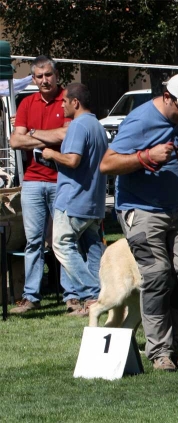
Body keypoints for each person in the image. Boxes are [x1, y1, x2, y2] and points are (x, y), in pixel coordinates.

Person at [99, 73, 178, 372]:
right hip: (142, 210)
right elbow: (107, 164)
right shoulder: (139, 120)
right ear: (167, 97)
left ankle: (171, 344)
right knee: (158, 274)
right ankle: (160, 351)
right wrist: (146, 155)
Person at [9, 55, 79, 314]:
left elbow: (67, 134)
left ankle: (71, 295)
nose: (44, 80)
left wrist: (32, 134)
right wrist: (47, 137)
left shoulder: (68, 100)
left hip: (63, 180)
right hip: (33, 182)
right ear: (34, 78)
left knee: (64, 239)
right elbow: (15, 142)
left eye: (48, 75)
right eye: (38, 76)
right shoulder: (26, 102)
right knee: (33, 241)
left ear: (56, 75)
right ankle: (31, 296)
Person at [41, 83, 107, 317]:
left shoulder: (78, 125)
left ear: (75, 102)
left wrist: (50, 154)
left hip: (74, 200)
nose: (61, 104)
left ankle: (94, 291)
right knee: (92, 248)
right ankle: (97, 298)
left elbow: (73, 160)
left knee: (62, 245)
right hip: (94, 201)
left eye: (64, 101)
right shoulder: (97, 126)